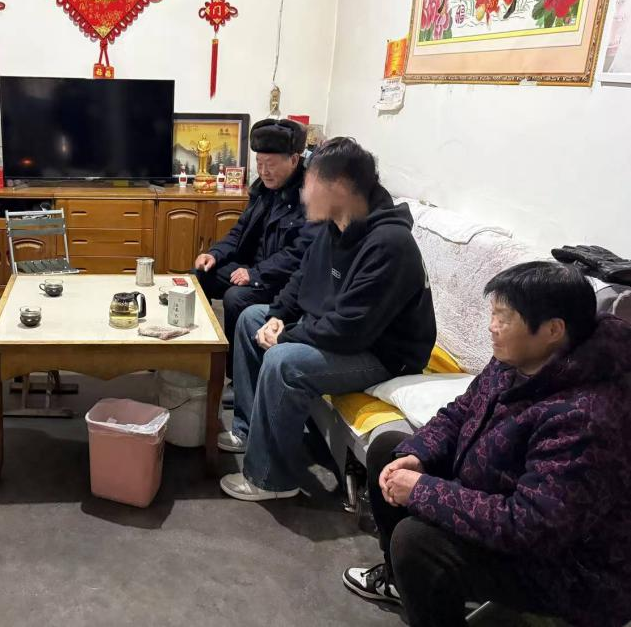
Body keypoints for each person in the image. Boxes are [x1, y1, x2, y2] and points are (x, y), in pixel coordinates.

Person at [343, 261, 631, 627]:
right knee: (390, 449)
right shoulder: (516, 360)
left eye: (503, 318)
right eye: (493, 314)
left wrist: (422, 491)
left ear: (552, 330)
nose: (491, 326)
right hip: (504, 495)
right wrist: (418, 455)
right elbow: (462, 410)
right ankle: (402, 584)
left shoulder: (585, 416)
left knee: (417, 543)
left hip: (575, 567)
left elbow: (531, 525)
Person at [220, 137, 436, 501]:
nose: (304, 194)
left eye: (310, 183)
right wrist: (277, 316)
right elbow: (301, 277)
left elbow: (351, 330)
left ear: (339, 187)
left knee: (284, 361)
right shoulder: (334, 226)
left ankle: (271, 479)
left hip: (382, 353)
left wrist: (287, 337)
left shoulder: (390, 244)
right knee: (250, 318)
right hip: (340, 331)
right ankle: (246, 429)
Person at [194, 118, 313, 375]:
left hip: (280, 278)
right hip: (253, 266)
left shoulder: (309, 195)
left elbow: (300, 254)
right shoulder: (263, 189)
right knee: (202, 273)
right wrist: (214, 254)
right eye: (259, 164)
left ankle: (234, 372)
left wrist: (255, 274)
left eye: (270, 164)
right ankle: (199, 351)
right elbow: (240, 231)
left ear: (294, 160)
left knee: (236, 298)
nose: (264, 171)